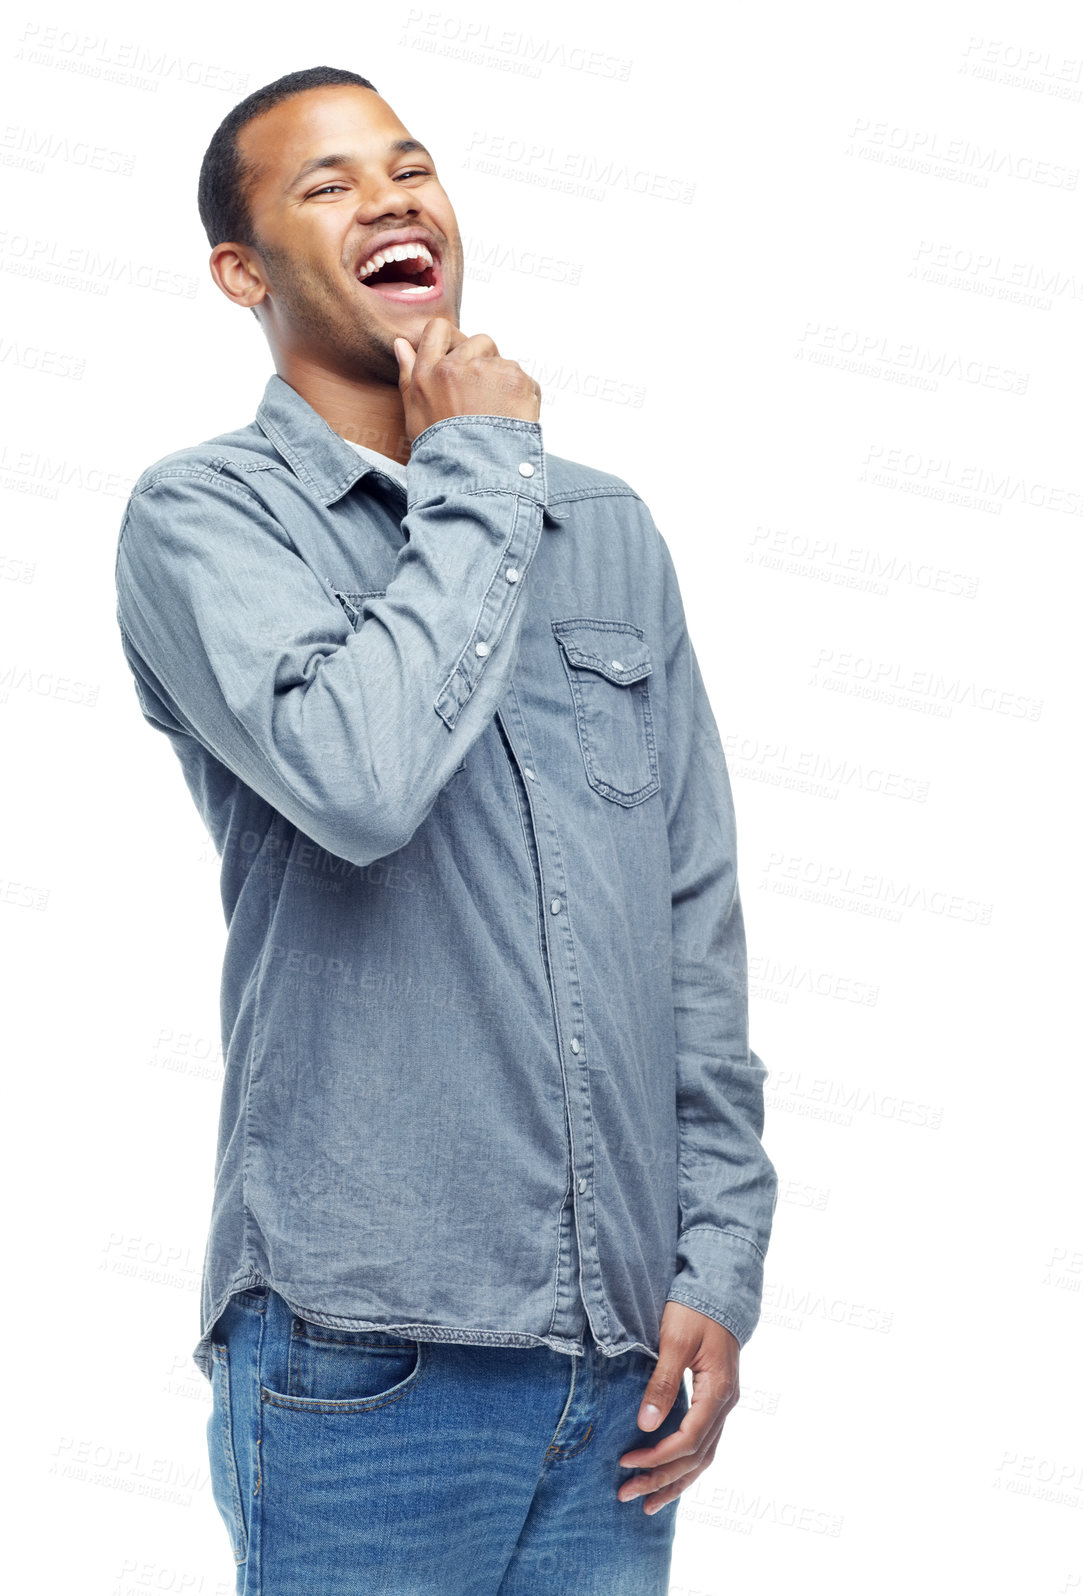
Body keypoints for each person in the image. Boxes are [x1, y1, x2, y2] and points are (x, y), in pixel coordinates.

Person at [113, 64, 778, 1595]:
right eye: (329, 184)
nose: (394, 197)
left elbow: (693, 927)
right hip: (366, 1356)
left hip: (619, 1363)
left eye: (410, 167)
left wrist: (719, 1267)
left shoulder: (603, 529)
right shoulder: (204, 521)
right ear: (243, 268)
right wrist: (479, 465)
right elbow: (357, 779)